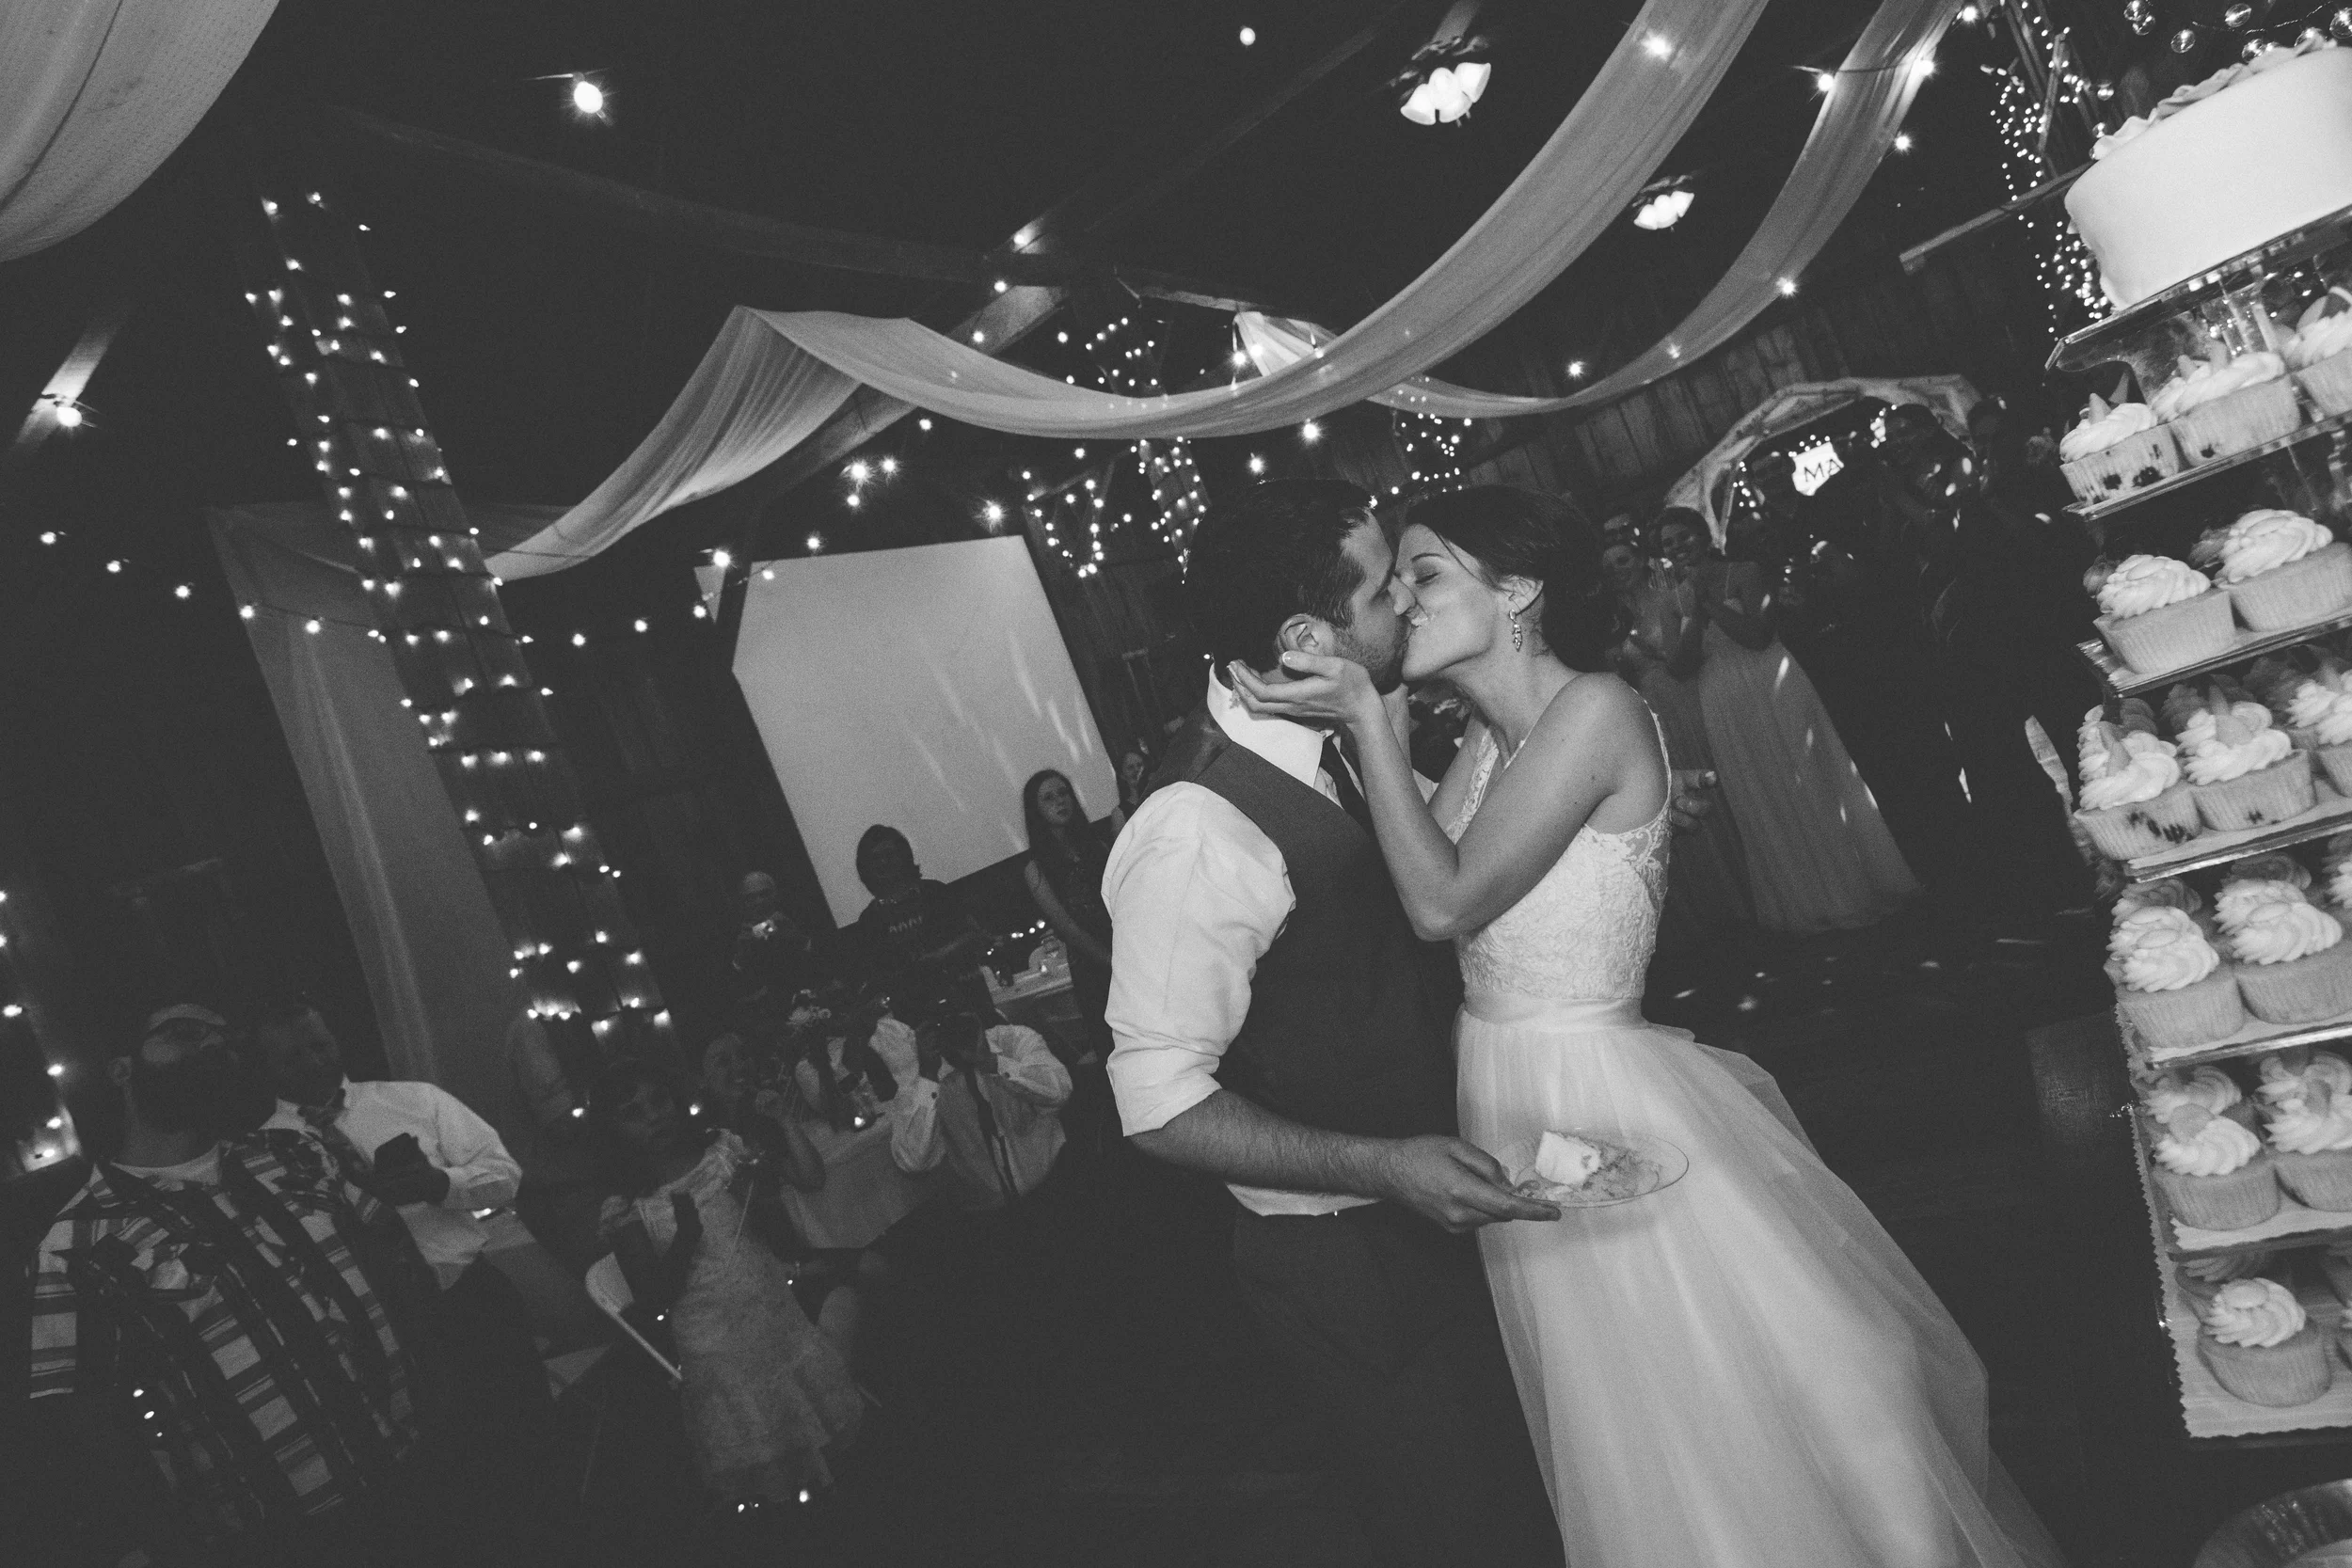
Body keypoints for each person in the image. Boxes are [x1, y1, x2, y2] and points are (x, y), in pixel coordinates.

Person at [1229, 485, 2067, 1568]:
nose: (1398, 598)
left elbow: (1442, 902)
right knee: (1643, 1405)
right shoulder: (1492, 740)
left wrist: (1362, 721)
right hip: (1512, 1090)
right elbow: (1417, 894)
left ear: (1517, 589)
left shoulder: (1595, 710)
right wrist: (1377, 725)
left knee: (1792, 1366)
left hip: (1599, 1086)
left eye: (1423, 572)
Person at [1104, 478, 1565, 1568]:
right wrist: (1382, 1165)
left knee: (1543, 1491)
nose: (1405, 605)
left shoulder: (1340, 726)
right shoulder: (1195, 830)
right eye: (1383, 589)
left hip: (1449, 1211)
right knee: (1462, 1529)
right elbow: (1155, 1102)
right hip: (1348, 1268)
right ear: (1308, 636)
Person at [25, 1005, 438, 1562]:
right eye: (184, 1033)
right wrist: (168, 1545)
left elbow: (396, 1266)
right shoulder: (73, 1243)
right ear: (123, 1070)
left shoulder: (297, 1156)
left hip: (409, 1466)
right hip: (271, 1532)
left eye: (223, 1038)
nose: (212, 1045)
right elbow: (91, 1419)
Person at [248, 1001, 559, 1490]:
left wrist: (437, 1184)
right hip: (382, 1333)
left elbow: (505, 1177)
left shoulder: (414, 1100)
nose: (312, 1061)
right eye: (292, 1056)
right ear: (265, 1068)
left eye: (319, 1045)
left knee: (534, 1444)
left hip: (470, 1300)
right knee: (450, 1473)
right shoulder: (262, 1153)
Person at [589, 1061, 864, 1510]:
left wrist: (760, 1198)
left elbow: (785, 1226)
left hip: (774, 1314)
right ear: (611, 1131)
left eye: (659, 1101)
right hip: (716, 1350)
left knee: (824, 1434)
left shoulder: (722, 1155)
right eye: (634, 1112)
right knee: (770, 1466)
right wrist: (685, 1240)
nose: (655, 1116)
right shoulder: (628, 1205)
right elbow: (654, 1297)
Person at [1656, 506, 1921, 934]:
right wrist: (1690, 614)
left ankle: (1854, 887)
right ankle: (1803, 898)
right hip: (1721, 695)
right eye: (1667, 543)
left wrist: (1707, 601)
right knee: (1759, 788)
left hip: (1769, 681)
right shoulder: (1672, 602)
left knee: (1809, 776)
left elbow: (1758, 636)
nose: (1676, 547)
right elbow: (1680, 667)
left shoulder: (1744, 571)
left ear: (1703, 536)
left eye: (1682, 537)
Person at [1602, 534, 1753, 939]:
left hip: (1686, 696)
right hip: (1650, 712)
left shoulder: (1672, 596)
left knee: (1716, 779)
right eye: (1609, 566)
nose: (1618, 571)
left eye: (1623, 560)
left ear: (1640, 559)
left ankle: (1751, 881)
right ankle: (1718, 900)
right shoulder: (1611, 618)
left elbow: (1688, 654)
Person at [890, 1011, 1071, 1211]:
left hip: (1054, 1184)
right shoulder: (917, 1079)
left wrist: (992, 1062)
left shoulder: (1014, 1041)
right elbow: (914, 1162)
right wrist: (929, 1077)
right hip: (986, 1211)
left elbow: (1060, 1092)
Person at [1021, 768, 1118, 1063]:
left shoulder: (1096, 846)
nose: (1060, 801)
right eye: (1049, 798)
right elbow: (1067, 928)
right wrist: (1113, 962)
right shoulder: (1037, 868)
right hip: (1093, 964)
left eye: (1064, 793)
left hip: (1124, 943)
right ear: (1037, 810)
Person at [850, 825, 992, 1022]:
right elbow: (876, 978)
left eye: (889, 854)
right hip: (918, 1024)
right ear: (866, 867)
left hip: (971, 1006)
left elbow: (979, 937)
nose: (883, 862)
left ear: (904, 856)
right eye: (875, 859)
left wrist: (941, 956)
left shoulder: (935, 893)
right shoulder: (869, 921)